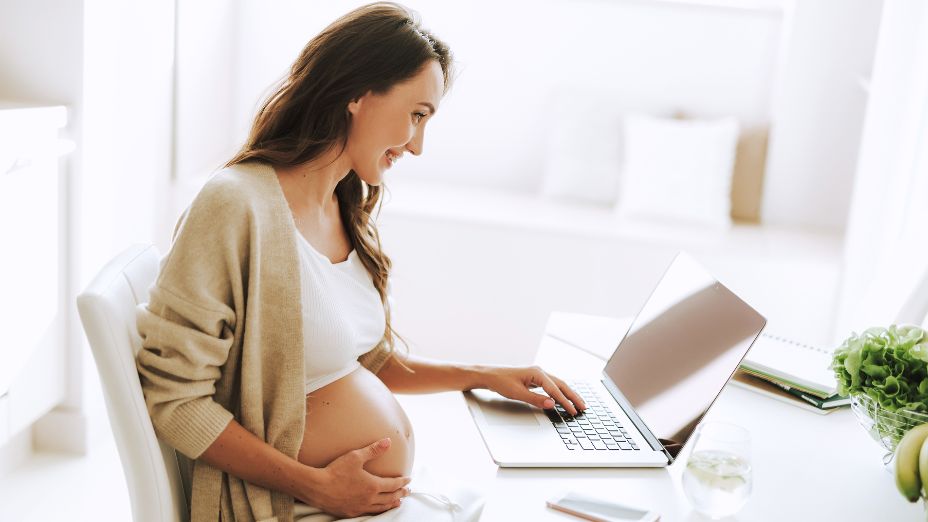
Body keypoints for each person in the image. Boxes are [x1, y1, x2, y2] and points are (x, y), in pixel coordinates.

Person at [135, 3, 586, 521]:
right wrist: (317, 486)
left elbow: (363, 362)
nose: (417, 146)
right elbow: (174, 399)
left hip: (350, 506)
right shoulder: (236, 205)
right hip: (289, 507)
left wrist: (483, 375)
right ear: (357, 93)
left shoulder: (346, 206)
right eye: (417, 115)